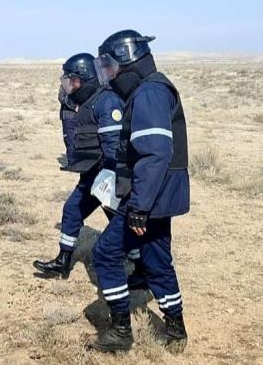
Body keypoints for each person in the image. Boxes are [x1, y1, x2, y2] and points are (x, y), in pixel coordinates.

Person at [89, 30, 190, 353]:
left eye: (109, 65)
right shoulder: (152, 88)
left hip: (149, 197)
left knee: (105, 253)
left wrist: (139, 207)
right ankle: (176, 329)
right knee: (156, 259)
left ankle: (120, 330)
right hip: (161, 194)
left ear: (127, 60)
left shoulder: (149, 92)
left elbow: (154, 153)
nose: (108, 74)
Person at [32, 53, 129, 278]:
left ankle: (141, 264)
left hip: (108, 175)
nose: (71, 86)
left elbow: (113, 145)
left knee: (119, 220)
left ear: (86, 77)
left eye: (73, 81)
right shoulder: (90, 101)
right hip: (92, 173)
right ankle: (63, 262)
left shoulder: (107, 101)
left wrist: (111, 179)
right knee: (72, 210)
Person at [58, 85, 77, 168]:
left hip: (76, 116)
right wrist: (74, 106)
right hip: (69, 116)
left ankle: (75, 163)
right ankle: (73, 163)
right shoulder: (65, 84)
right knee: (70, 140)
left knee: (74, 140)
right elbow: (61, 98)